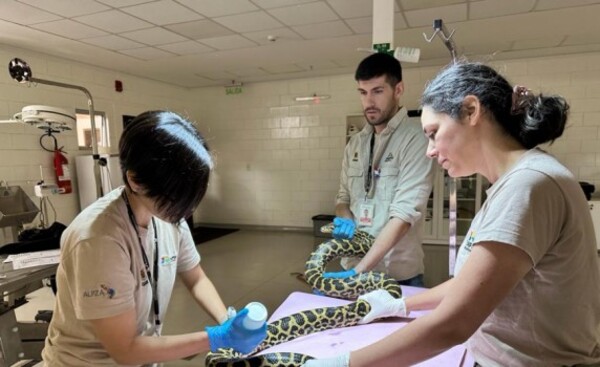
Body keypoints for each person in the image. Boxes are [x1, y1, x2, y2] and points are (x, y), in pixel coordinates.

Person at [303, 62, 600, 367]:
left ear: (471, 110)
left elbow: (453, 324)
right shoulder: (512, 183)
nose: (430, 150)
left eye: (434, 133)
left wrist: (343, 364)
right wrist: (400, 304)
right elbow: (471, 283)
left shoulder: (528, 184)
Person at [42, 111, 266, 366]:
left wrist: (227, 321)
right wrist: (217, 338)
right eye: (178, 197)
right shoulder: (98, 241)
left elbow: (195, 278)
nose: (187, 210)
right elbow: (125, 350)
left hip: (142, 356)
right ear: (135, 180)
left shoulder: (169, 215)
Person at [326, 52, 435, 287]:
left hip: (397, 275)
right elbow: (343, 197)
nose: (369, 102)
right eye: (363, 93)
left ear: (398, 90)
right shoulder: (355, 143)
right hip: (352, 265)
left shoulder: (416, 140)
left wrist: (360, 271)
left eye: (378, 91)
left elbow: (405, 214)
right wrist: (345, 218)